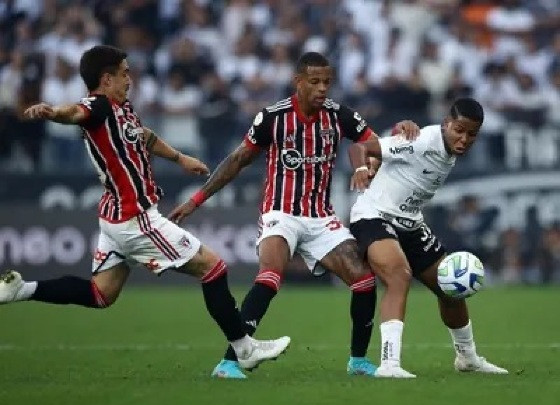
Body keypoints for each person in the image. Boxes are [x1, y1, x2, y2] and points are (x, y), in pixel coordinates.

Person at [0, 45, 290, 371]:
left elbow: (145, 136)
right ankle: (244, 349)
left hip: (113, 218)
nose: (130, 78)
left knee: (101, 294)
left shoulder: (121, 109)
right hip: (135, 219)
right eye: (124, 73)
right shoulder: (98, 106)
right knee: (214, 268)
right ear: (106, 78)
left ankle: (22, 289)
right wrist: (52, 112)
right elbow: (75, 112)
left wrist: (180, 159)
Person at [169, 51, 419, 379]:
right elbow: (237, 160)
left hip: (320, 217)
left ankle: (358, 361)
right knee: (271, 275)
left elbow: (375, 144)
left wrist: (400, 131)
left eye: (327, 82)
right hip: (281, 213)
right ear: (297, 82)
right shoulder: (273, 117)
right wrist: (196, 200)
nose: (322, 88)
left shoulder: (339, 115)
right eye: (314, 82)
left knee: (363, 281)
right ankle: (230, 362)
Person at [347, 97, 508, 378]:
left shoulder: (449, 150)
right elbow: (360, 145)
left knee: (449, 286)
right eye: (459, 130)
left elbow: (387, 156)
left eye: (472, 134)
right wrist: (363, 168)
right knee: (399, 275)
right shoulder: (421, 140)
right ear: (446, 124)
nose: (464, 139)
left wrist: (377, 159)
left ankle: (467, 358)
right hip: (374, 216)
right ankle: (389, 364)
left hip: (410, 224)